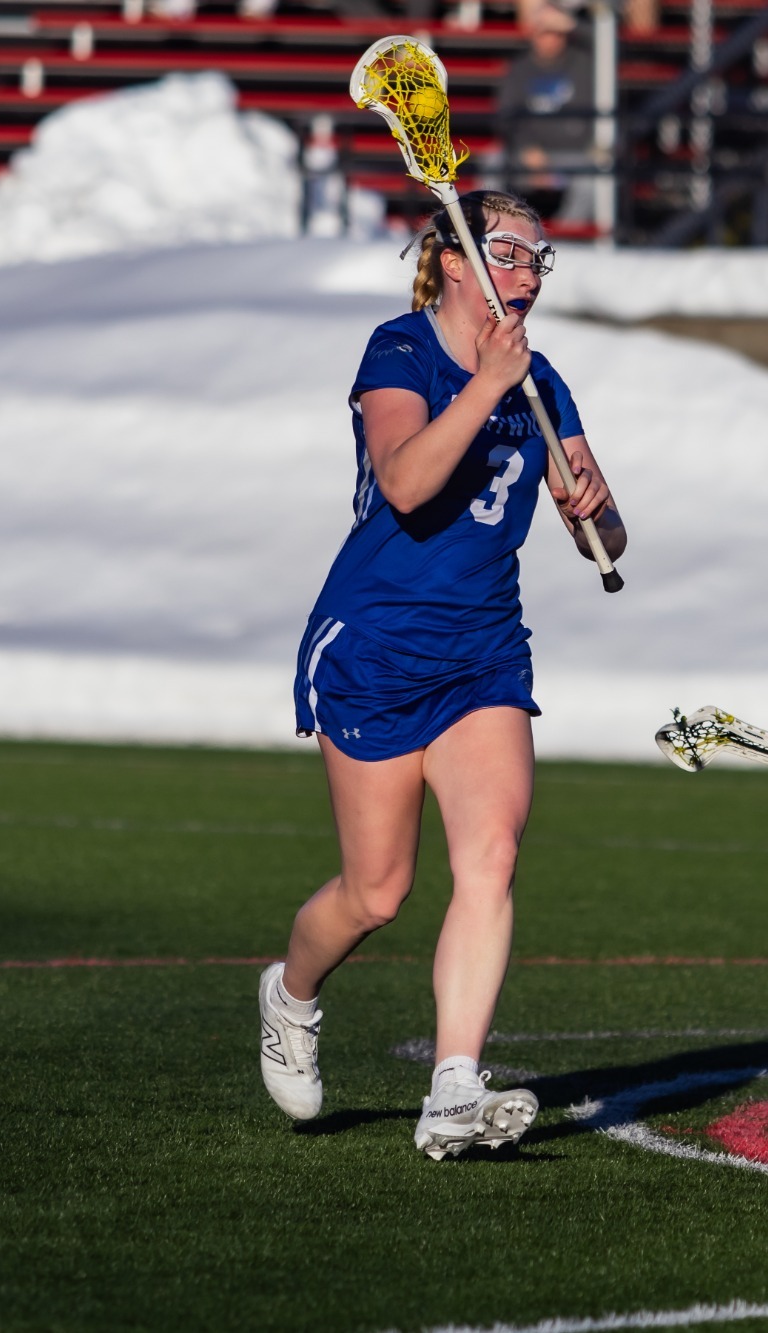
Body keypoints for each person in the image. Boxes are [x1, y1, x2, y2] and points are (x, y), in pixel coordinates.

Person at [257, 190, 627, 1160]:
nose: (529, 274)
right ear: (456, 259)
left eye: (542, 259)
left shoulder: (540, 380)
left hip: (482, 652)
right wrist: (483, 387)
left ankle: (452, 1088)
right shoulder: (398, 352)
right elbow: (406, 483)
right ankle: (289, 994)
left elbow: (606, 542)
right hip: (376, 646)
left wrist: (591, 504)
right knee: (375, 893)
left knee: (491, 856)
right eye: (510, 252)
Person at [497, 4, 596, 224]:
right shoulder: (518, 69)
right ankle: (496, 231)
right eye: (545, 31)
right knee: (492, 163)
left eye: (558, 33)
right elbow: (506, 117)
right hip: (528, 155)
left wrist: (572, 24)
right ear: (533, 33)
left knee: (596, 178)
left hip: (574, 155)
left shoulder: (585, 62)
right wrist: (526, 148)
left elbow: (612, 46)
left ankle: (566, 240)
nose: (551, 39)